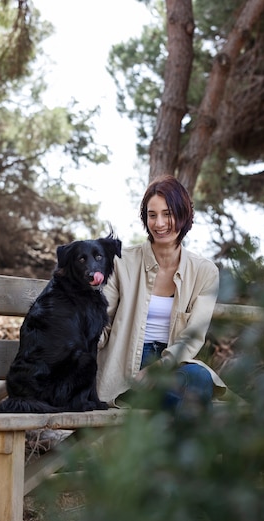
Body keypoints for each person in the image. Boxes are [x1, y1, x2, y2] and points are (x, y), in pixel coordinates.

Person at [96, 174, 226, 416]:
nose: (159, 223)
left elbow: (192, 336)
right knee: (182, 399)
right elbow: (100, 322)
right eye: (152, 215)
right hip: (126, 367)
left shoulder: (205, 272)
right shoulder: (122, 262)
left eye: (168, 214)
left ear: (184, 214)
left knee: (198, 379)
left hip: (171, 366)